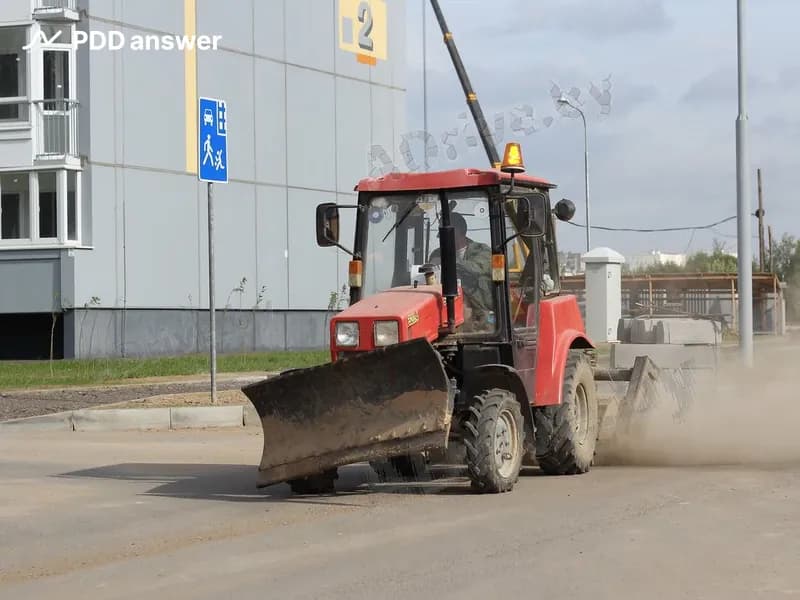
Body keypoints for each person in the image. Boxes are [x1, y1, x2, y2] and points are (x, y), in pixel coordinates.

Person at [429, 213, 494, 329]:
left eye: (443, 233)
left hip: (479, 313)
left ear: (456, 231)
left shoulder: (481, 250)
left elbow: (476, 269)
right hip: (446, 309)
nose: (440, 237)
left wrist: (448, 261)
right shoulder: (436, 254)